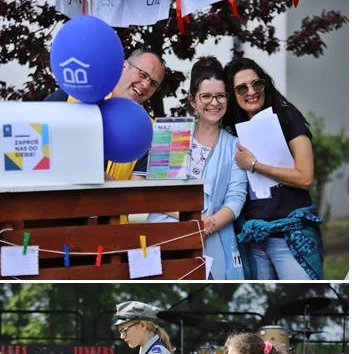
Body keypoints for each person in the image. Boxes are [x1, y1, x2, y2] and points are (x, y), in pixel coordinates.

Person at [147, 57, 246, 279]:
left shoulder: (234, 145)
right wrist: (193, 220)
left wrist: (207, 226)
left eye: (220, 96)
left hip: (213, 238)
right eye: (206, 96)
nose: (214, 102)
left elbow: (235, 199)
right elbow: (156, 193)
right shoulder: (171, 134)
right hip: (165, 236)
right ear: (193, 100)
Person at [222, 57, 322, 280]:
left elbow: (305, 178)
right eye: (241, 88)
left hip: (290, 236)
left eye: (256, 84)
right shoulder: (229, 132)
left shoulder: (287, 117)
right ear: (232, 94)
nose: (251, 92)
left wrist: (255, 165)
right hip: (253, 240)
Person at [47, 49, 166, 181]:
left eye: (153, 84)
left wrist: (92, 173)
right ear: (123, 66)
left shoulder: (151, 131)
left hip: (107, 201)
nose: (145, 85)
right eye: (142, 75)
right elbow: (34, 128)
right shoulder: (76, 93)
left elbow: (136, 195)